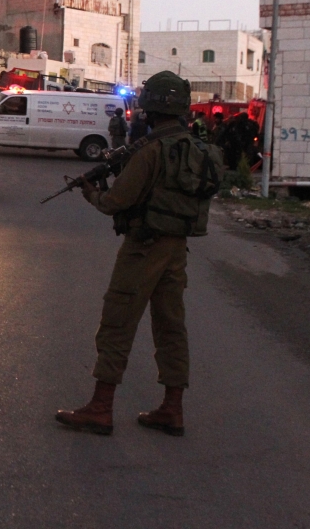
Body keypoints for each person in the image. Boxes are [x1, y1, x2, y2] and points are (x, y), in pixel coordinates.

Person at [55, 71, 209, 438]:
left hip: (143, 247)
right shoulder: (195, 149)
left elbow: (115, 202)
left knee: (118, 321)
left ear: (150, 106)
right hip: (176, 247)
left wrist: (92, 192)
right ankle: (172, 408)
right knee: (171, 325)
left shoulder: (150, 152)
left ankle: (101, 407)